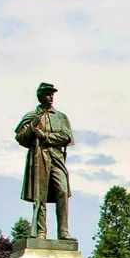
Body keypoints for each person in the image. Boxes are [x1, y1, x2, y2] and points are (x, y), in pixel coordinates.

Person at [16, 82, 75, 240]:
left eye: (52, 94)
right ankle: (41, 231)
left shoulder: (61, 117)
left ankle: (63, 231)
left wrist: (45, 136)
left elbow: (66, 137)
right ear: (40, 96)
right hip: (39, 156)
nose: (51, 97)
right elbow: (21, 138)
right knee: (39, 194)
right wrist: (32, 127)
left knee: (62, 190)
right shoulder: (32, 116)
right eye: (47, 94)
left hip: (56, 156)